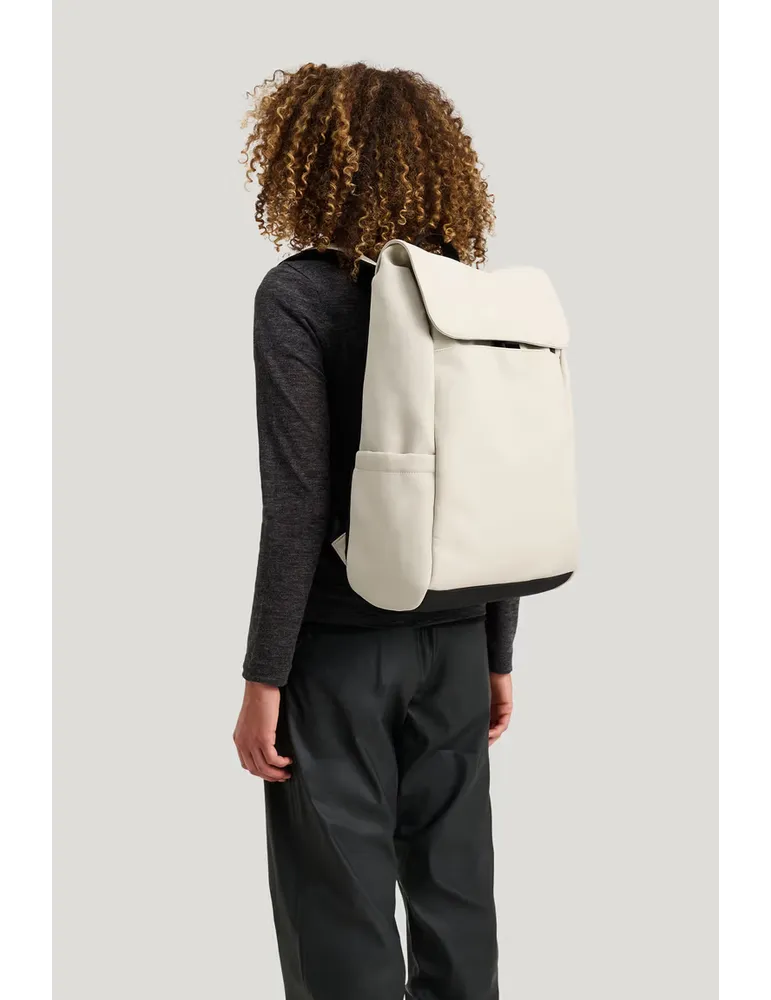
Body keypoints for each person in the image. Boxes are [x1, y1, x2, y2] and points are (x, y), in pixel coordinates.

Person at [234, 62, 519, 1000]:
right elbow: (496, 487)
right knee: (458, 903)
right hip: (455, 638)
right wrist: (496, 651)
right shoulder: (470, 296)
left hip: (340, 652)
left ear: (306, 165)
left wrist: (263, 676)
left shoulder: (298, 296)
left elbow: (296, 504)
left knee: (340, 920)